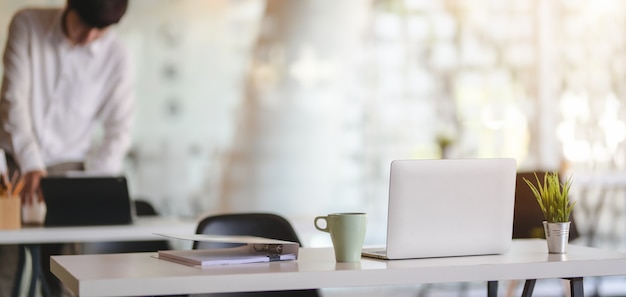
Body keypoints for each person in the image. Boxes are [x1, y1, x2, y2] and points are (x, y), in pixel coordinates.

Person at [0, 0, 134, 296]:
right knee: (4, 261)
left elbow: (119, 128)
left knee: (67, 269)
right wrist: (31, 162)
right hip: (13, 167)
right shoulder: (27, 24)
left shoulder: (117, 55)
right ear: (68, 6)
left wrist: (95, 184)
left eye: (100, 31)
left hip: (70, 171)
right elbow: (13, 100)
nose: (88, 37)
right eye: (83, 25)